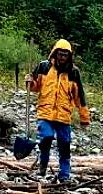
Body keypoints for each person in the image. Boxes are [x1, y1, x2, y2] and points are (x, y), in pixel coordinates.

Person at [25, 40, 90, 184]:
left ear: (69, 56)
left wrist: (84, 117)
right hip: (45, 112)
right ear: (55, 53)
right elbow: (35, 87)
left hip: (63, 115)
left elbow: (80, 96)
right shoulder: (44, 66)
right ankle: (43, 165)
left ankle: (64, 174)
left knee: (65, 144)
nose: (62, 57)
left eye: (65, 55)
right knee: (46, 138)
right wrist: (29, 82)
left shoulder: (73, 72)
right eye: (60, 54)